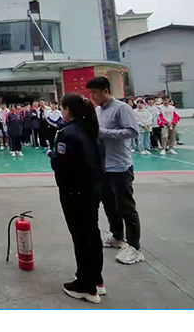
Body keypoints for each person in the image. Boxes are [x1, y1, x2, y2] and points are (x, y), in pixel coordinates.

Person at [47, 93, 105, 304]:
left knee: (81, 237)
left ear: (68, 110)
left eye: (62, 108)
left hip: (75, 192)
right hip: (93, 189)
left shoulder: (67, 133)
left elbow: (64, 166)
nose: (61, 111)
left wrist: (53, 156)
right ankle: (96, 279)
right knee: (92, 233)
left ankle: (85, 286)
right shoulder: (92, 129)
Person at [86, 77, 144, 265]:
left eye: (95, 92)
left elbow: (132, 131)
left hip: (120, 166)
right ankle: (117, 235)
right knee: (109, 204)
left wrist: (105, 133)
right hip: (103, 166)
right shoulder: (97, 110)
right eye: (90, 93)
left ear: (105, 90)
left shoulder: (121, 108)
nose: (92, 96)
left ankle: (134, 247)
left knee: (126, 207)